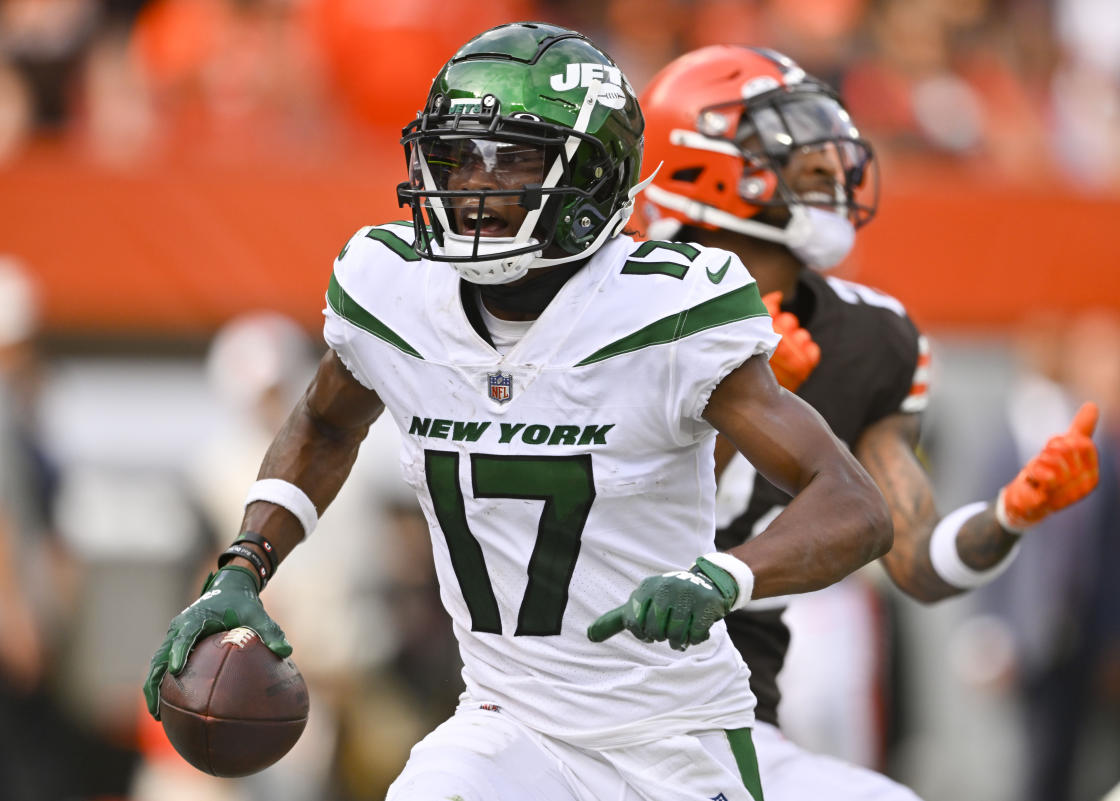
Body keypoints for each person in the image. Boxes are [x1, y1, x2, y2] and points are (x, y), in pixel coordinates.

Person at [142, 23, 894, 801]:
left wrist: (722, 578)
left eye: (513, 160)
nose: (472, 186)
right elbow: (327, 421)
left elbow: (855, 505)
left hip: (671, 735)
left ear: (595, 179)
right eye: (457, 157)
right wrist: (243, 565)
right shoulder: (392, 292)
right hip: (509, 722)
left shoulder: (665, 311)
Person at [637, 45, 1102, 800]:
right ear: (698, 158)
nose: (826, 162)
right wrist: (748, 402)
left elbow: (917, 559)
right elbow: (610, 509)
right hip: (597, 678)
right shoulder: (620, 307)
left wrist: (1014, 514)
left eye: (823, 138)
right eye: (783, 138)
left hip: (732, 703)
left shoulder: (869, 337)